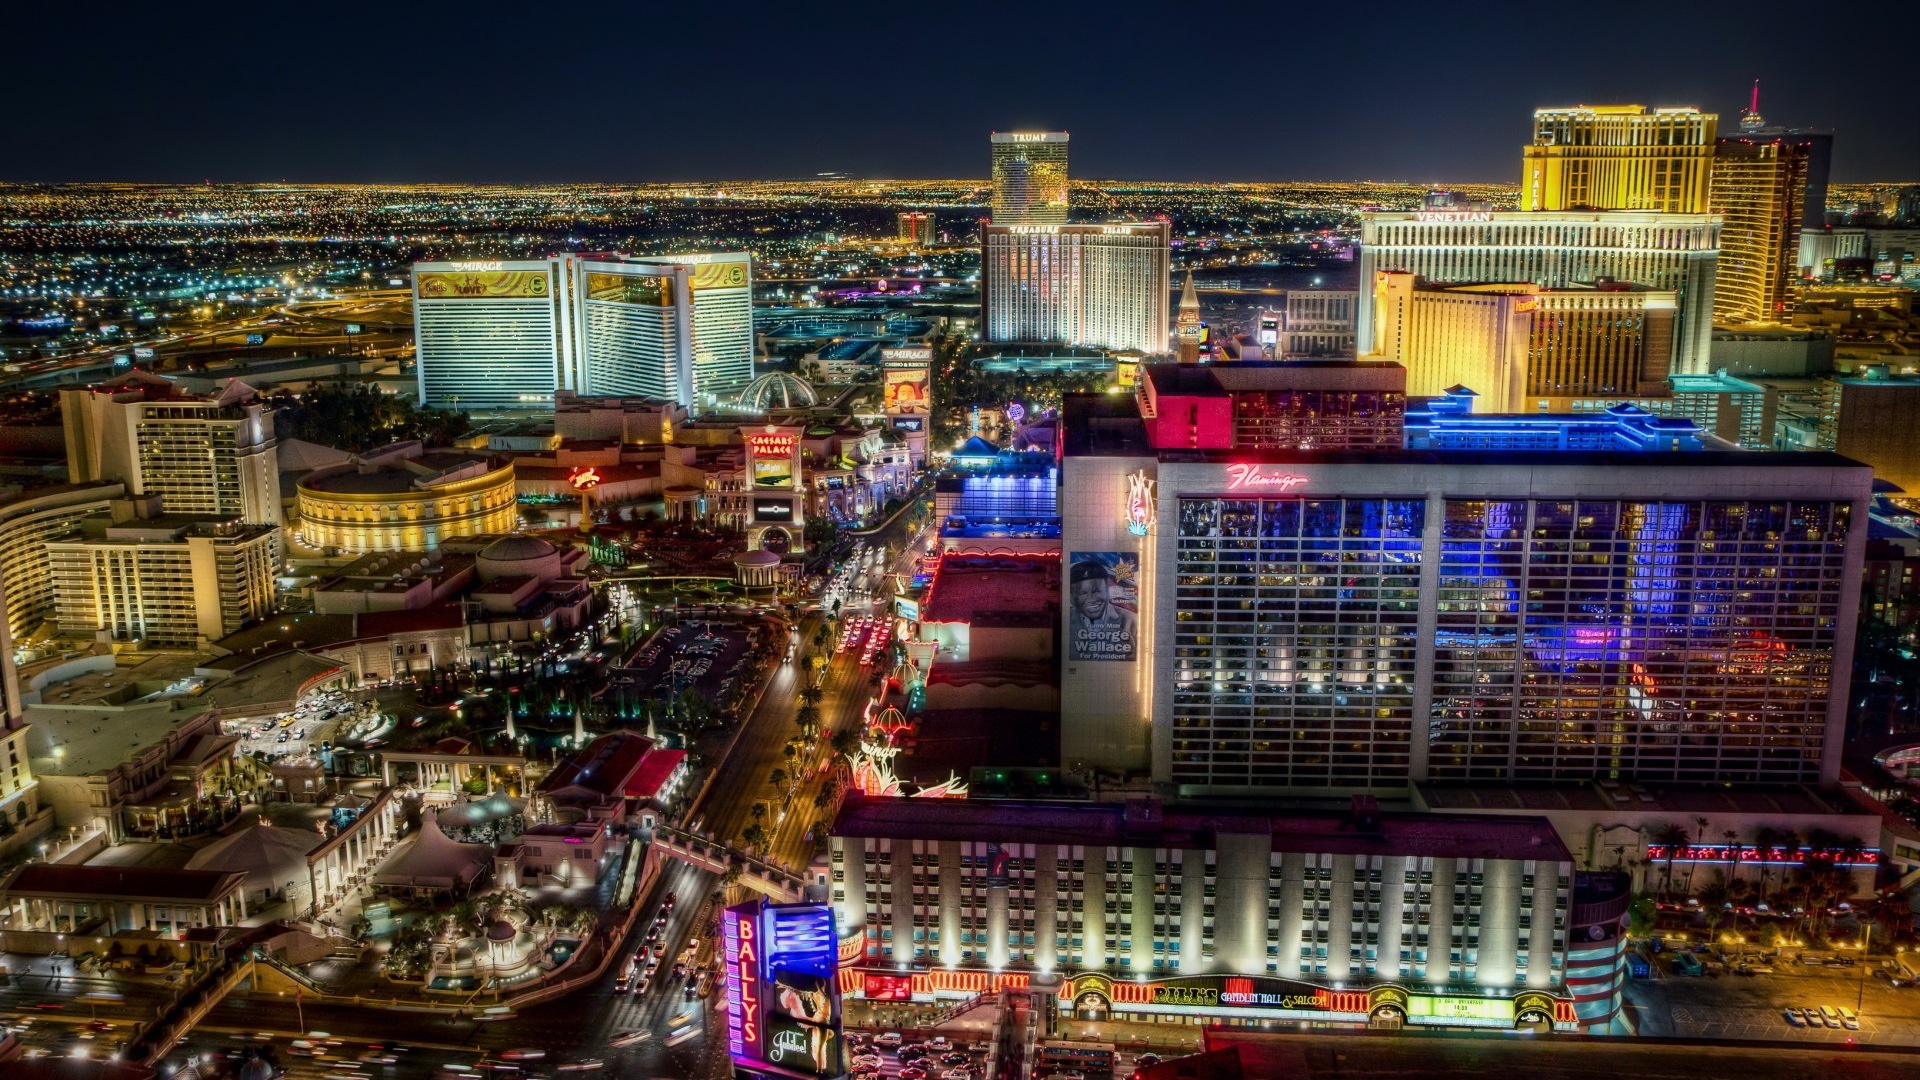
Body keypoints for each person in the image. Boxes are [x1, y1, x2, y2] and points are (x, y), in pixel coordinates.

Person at [1069, 558, 1136, 657]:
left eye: (1097, 591)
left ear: (1107, 590)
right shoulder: (1066, 620)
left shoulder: (1132, 621)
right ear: (1072, 596)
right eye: (1082, 593)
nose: (1091, 599)